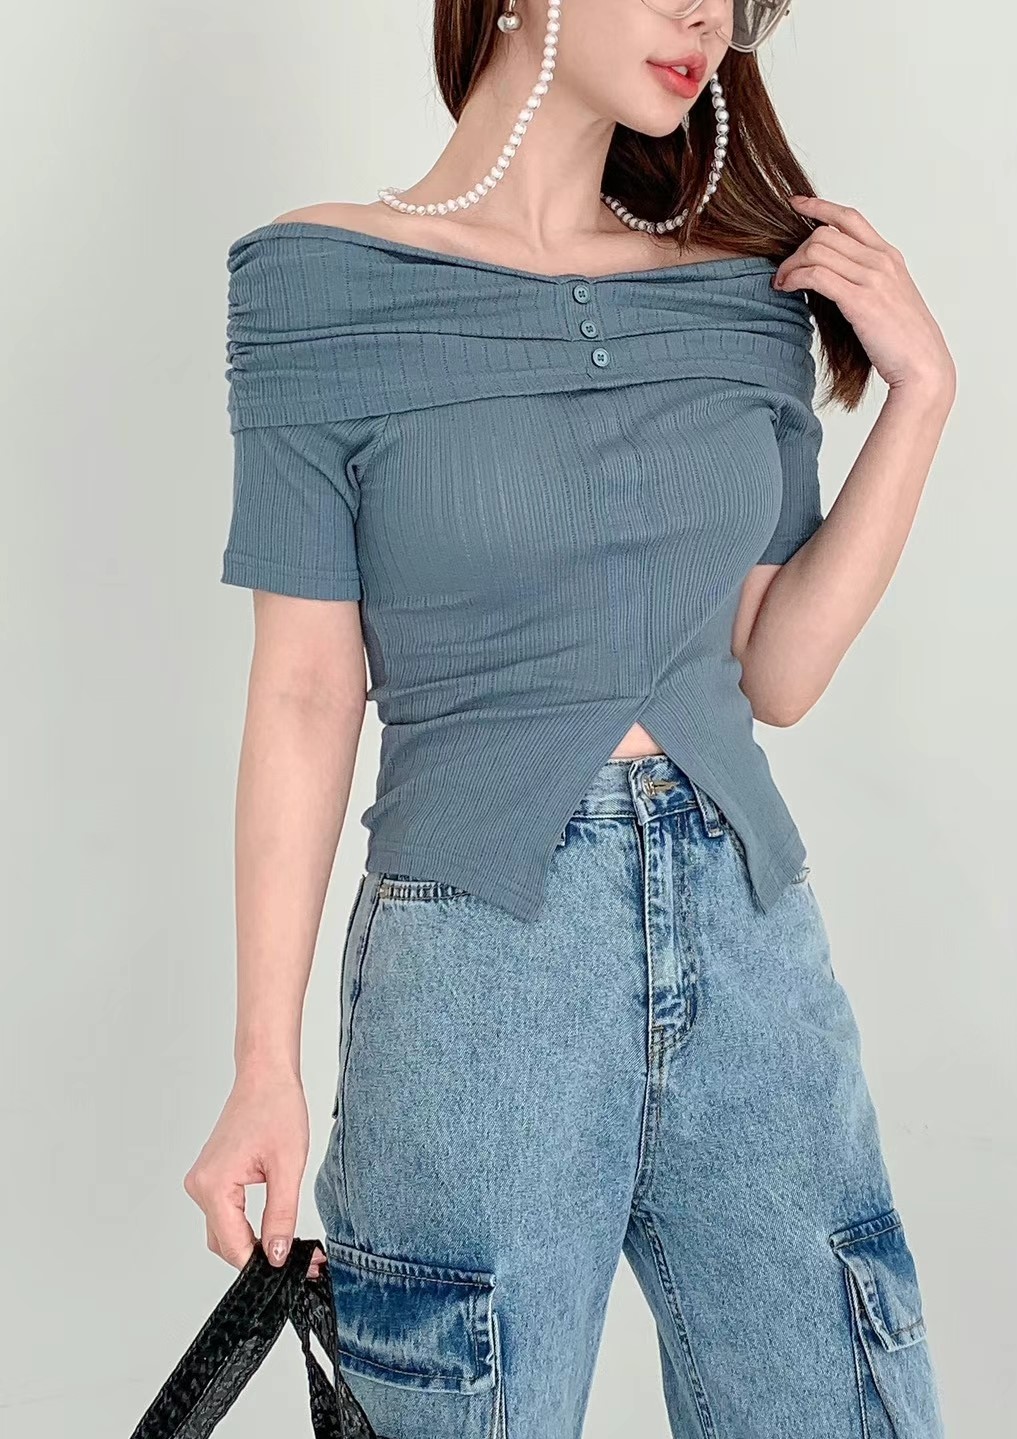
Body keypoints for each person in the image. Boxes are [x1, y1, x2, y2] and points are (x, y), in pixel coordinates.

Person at [185, 1, 956, 1434]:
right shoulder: (321, 284)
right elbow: (304, 690)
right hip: (479, 966)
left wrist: (921, 394)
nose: (707, 16)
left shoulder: (738, 298)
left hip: (752, 944)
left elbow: (776, 674)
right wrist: (261, 1067)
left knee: (840, 1398)